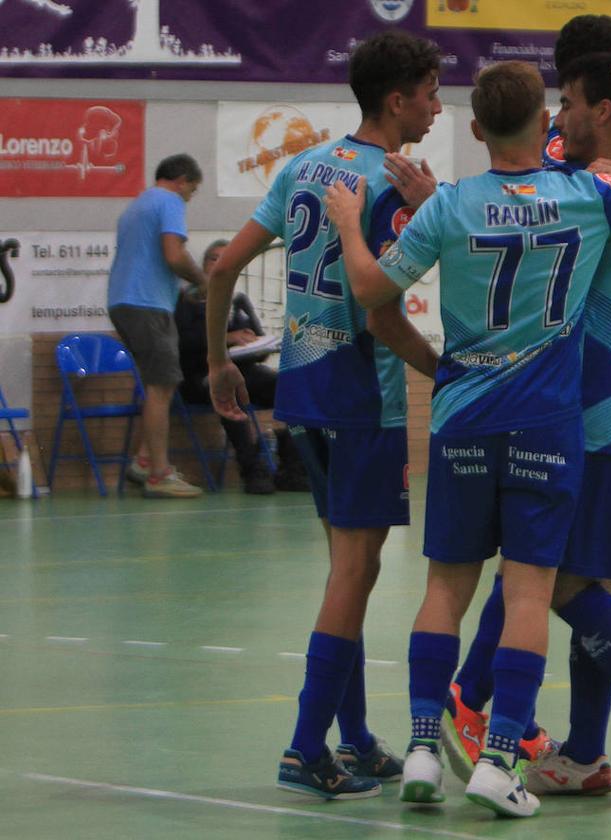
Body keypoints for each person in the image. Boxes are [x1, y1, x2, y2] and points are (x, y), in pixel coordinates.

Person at [326, 57, 611, 817]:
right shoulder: (588, 194)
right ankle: (499, 763)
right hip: (549, 427)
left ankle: (424, 748)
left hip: (463, 416)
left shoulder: (450, 206)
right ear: (543, 125)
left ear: (472, 127)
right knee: (530, 591)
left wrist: (343, 222)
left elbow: (371, 292)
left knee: (444, 588)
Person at [442, 45, 611, 802]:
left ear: (600, 110)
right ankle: (586, 754)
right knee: (587, 582)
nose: (557, 117)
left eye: (567, 102)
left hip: (599, 415)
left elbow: (531, 172)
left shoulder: (593, 186)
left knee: (549, 582)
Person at [206, 30, 442, 799]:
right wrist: (448, 373)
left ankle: (356, 738)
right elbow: (378, 311)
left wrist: (218, 364)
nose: (439, 106)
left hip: (302, 399)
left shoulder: (306, 166)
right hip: (360, 400)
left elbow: (223, 268)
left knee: (351, 571)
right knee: (355, 571)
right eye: (432, 92)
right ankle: (306, 747)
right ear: (396, 98)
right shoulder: (387, 185)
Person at [440, 11, 611, 785]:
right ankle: (568, 742)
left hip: (568, 390)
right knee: (557, 575)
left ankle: (483, 705)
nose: (561, 112)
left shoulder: (569, 163)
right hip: (599, 390)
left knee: (547, 575)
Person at [108, 153, 207, 499]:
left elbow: (148, 261)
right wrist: (203, 280)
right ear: (182, 181)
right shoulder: (169, 201)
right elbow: (174, 255)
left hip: (125, 301)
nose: (188, 199)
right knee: (162, 386)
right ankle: (159, 474)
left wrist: (184, 289)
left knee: (158, 384)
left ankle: (144, 460)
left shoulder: (136, 206)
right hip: (147, 304)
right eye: (192, 192)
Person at [174, 239, 308, 494]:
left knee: (291, 387)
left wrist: (254, 342)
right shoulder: (187, 301)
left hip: (244, 372)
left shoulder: (239, 301)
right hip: (198, 376)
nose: (221, 263)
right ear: (203, 266)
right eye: (214, 258)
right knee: (230, 390)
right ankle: (251, 468)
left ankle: (292, 464)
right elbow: (182, 343)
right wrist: (225, 340)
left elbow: (258, 350)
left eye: (227, 258)